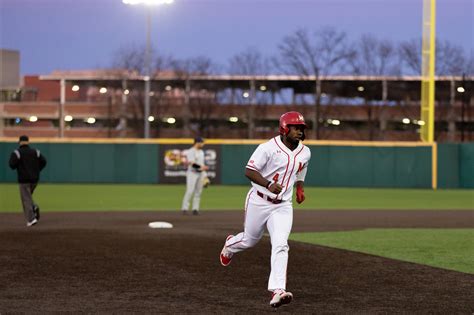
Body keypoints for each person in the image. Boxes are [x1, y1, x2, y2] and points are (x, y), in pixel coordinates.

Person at [219, 111, 311, 308]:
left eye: (302, 128)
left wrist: (300, 187)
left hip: (283, 206)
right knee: (249, 240)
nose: (299, 131)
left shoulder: (305, 151)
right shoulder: (267, 148)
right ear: (284, 128)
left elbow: (302, 167)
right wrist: (268, 184)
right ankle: (230, 245)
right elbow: (249, 171)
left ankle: (277, 290)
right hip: (259, 201)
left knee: (281, 244)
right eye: (295, 128)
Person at [9, 135, 47, 227]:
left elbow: (11, 165)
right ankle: (33, 207)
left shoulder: (17, 153)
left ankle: (31, 219)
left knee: (25, 199)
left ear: (20, 142)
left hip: (24, 180)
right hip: (35, 180)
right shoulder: (36, 152)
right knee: (28, 197)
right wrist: (37, 170)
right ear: (28, 142)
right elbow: (44, 161)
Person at [181, 137, 209, 215]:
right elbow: (191, 163)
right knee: (190, 191)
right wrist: (201, 167)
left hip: (200, 174)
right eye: (202, 142)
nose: (203, 144)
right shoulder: (190, 151)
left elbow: (202, 164)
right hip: (192, 173)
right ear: (197, 143)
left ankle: (195, 209)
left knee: (198, 192)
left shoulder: (201, 152)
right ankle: (184, 208)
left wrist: (205, 175)